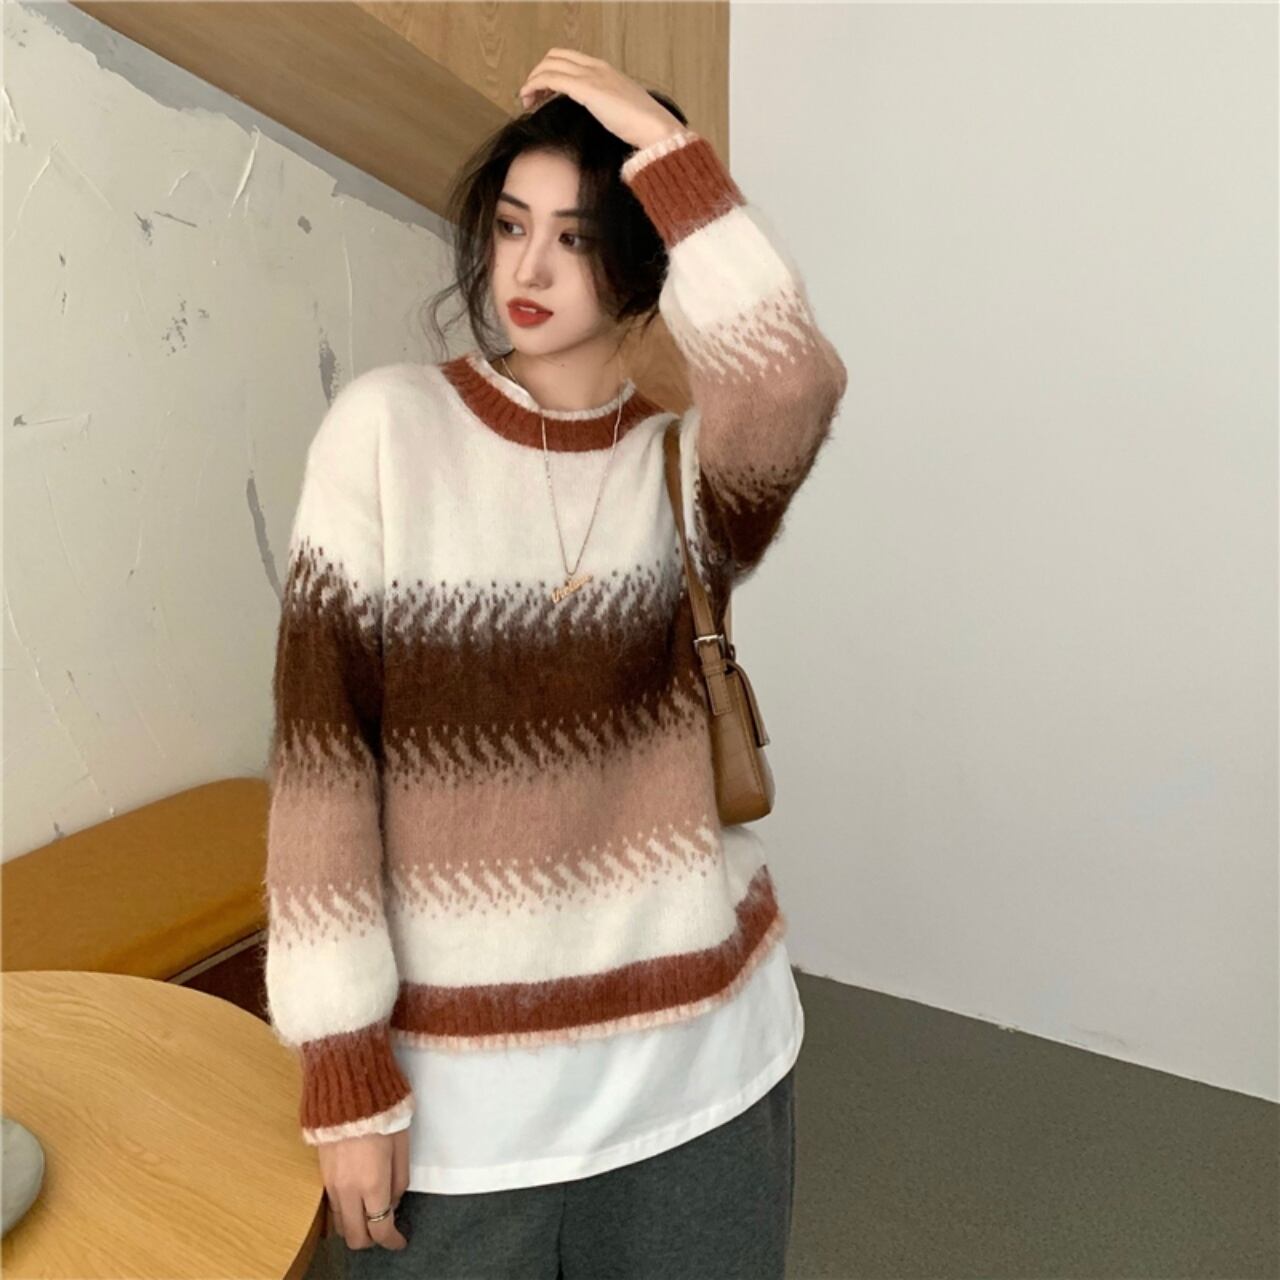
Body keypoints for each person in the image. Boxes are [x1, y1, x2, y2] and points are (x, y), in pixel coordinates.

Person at [262, 47, 847, 1279]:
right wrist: (343, 1065)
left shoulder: (684, 478)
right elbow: (324, 764)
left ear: (638, 258)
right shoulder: (386, 432)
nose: (526, 270)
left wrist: (663, 150)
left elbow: (791, 378)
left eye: (576, 238)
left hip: (698, 1073)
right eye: (511, 226)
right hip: (464, 1107)